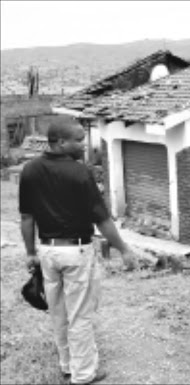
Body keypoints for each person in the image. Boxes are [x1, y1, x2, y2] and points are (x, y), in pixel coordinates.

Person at [19, 121, 139, 385]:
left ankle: (67, 366)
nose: (84, 144)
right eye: (78, 140)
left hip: (47, 252)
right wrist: (124, 249)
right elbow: (103, 220)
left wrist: (31, 253)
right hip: (76, 252)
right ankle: (84, 375)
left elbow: (27, 217)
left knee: (59, 312)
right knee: (80, 316)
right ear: (60, 142)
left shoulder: (29, 170)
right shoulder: (80, 173)